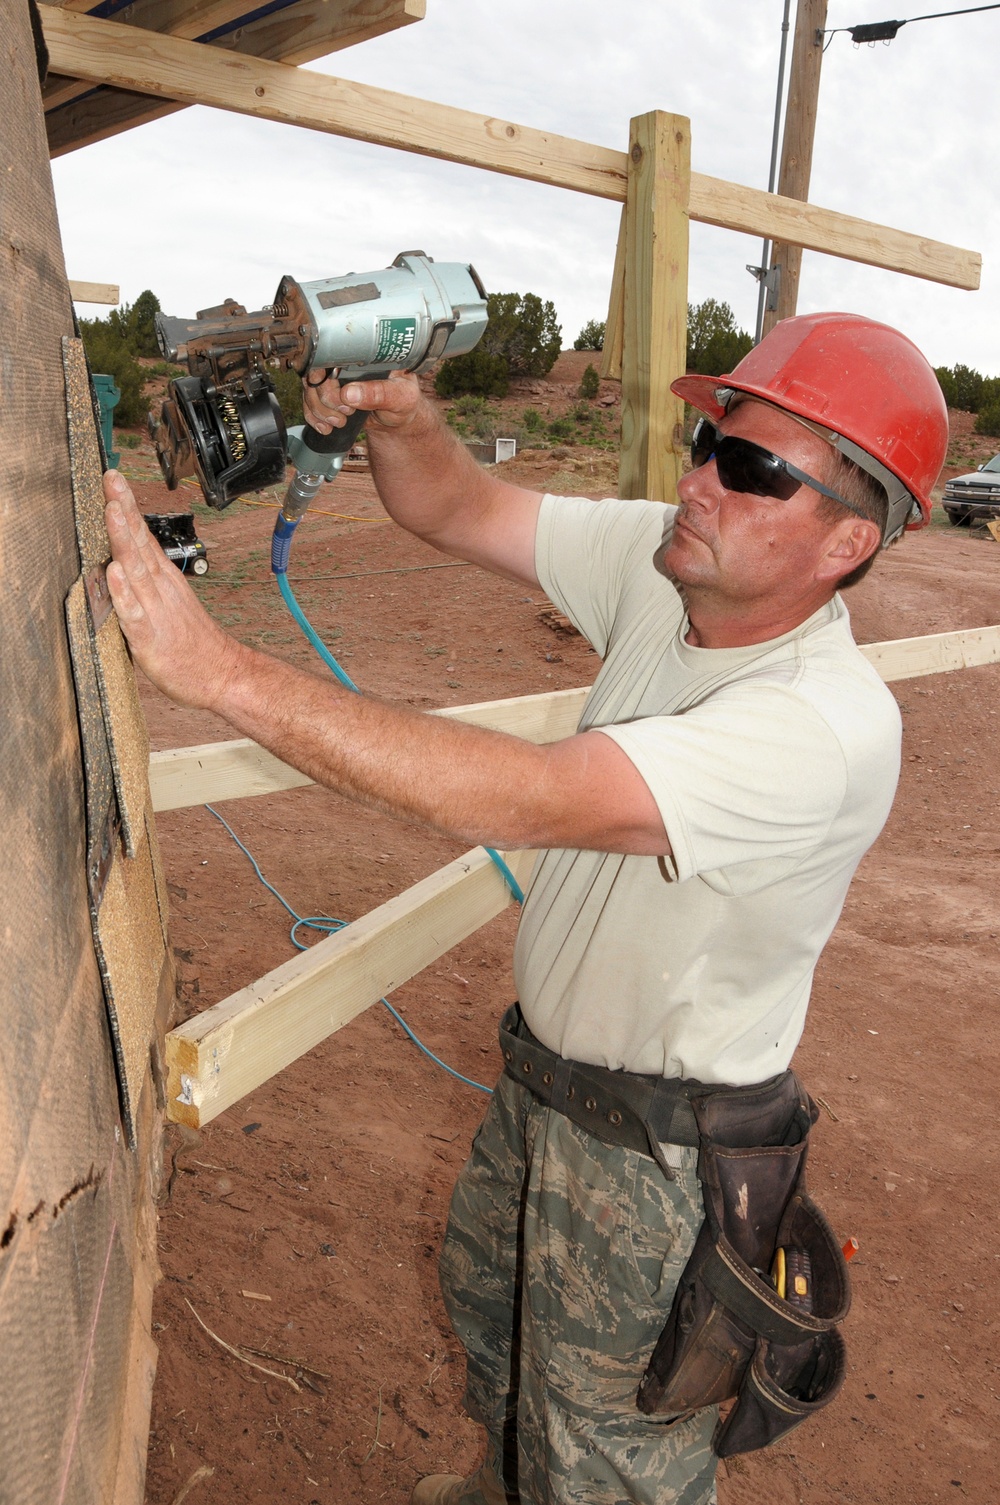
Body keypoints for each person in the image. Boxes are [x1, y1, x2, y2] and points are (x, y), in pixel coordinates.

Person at [104, 311, 948, 1505]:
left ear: (848, 540)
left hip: (666, 1155)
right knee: (497, 1344)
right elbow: (457, 507)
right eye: (710, 437)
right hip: (546, 1086)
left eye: (753, 468)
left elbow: (535, 794)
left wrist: (222, 670)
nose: (700, 478)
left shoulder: (820, 723)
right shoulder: (675, 570)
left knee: (609, 1453)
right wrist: (406, 421)